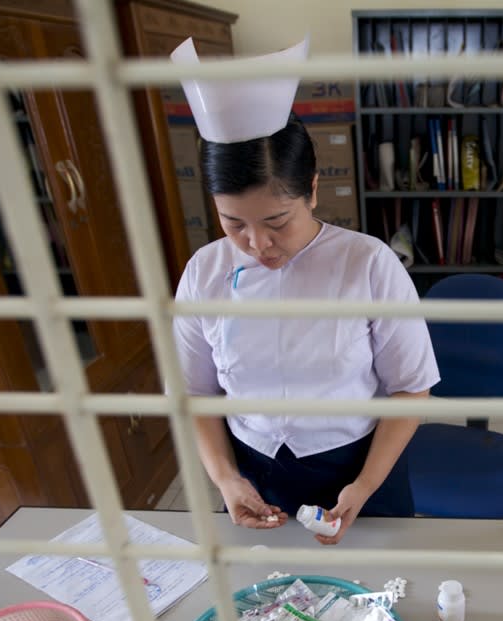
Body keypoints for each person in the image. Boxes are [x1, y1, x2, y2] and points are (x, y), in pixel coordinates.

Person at [170, 37, 439, 545]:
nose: (257, 244)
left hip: (362, 467)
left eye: (277, 221)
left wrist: (364, 486)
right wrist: (227, 480)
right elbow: (196, 394)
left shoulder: (368, 264)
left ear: (313, 190)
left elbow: (410, 387)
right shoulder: (204, 273)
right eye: (233, 223)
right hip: (254, 470)